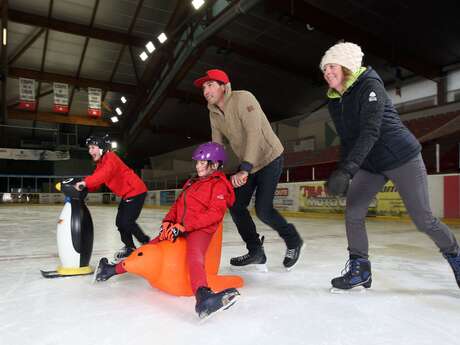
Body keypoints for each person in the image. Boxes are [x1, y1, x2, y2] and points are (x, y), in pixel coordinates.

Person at [320, 41, 460, 290]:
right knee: (353, 213)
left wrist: (348, 169)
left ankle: (455, 257)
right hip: (371, 164)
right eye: (324, 68)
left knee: (423, 219)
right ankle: (360, 269)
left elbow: (370, 131)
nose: (327, 72)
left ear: (346, 66)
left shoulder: (370, 86)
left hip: (400, 157)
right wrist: (342, 168)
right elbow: (348, 139)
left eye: (331, 66)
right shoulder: (334, 100)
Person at [94, 142, 240, 319]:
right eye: (198, 162)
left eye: (203, 163)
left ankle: (203, 297)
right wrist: (168, 222)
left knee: (195, 256)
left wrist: (184, 226)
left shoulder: (219, 185)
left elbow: (214, 215)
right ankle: (109, 270)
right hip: (178, 227)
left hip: (200, 229)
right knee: (149, 247)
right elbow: (177, 205)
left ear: (215, 165)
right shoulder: (192, 182)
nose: (198, 165)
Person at [193, 69, 304, 271]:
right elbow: (217, 144)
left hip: (269, 157)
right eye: (203, 87)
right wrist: (212, 172)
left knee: (263, 210)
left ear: (223, 86)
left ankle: (293, 240)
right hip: (247, 162)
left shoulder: (243, 98)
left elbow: (254, 134)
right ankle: (256, 251)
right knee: (235, 204)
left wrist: (245, 169)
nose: (205, 90)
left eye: (210, 85)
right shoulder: (213, 111)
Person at [75, 134, 150, 261]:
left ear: (102, 148)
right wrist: (86, 187)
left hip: (136, 190)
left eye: (93, 147)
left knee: (126, 222)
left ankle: (146, 243)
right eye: (89, 148)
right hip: (128, 194)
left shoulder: (110, 158)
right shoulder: (101, 163)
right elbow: (97, 179)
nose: (90, 151)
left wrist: (86, 183)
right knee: (120, 223)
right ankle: (129, 248)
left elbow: (103, 175)